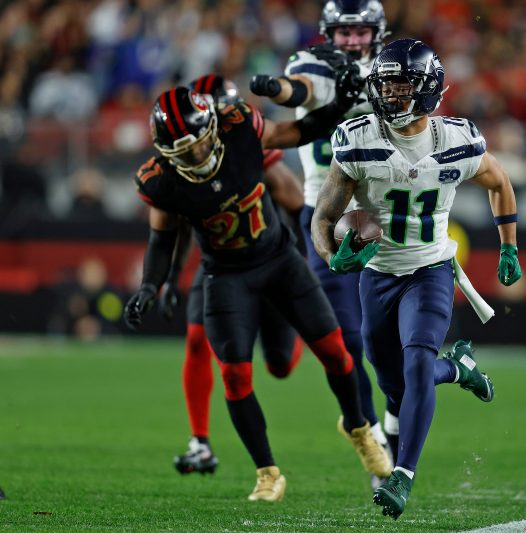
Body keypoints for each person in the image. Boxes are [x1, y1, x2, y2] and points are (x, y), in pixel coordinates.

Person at [123, 84, 391, 502]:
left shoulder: (240, 127)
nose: (197, 155)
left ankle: (357, 428)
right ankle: (267, 472)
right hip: (226, 276)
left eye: (199, 143)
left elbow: (297, 132)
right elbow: (162, 240)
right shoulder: (161, 180)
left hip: (279, 260)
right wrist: (148, 287)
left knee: (335, 351)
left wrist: (338, 105)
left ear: (212, 126)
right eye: (184, 152)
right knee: (233, 374)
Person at [311, 38, 522, 519]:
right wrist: (331, 255)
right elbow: (323, 216)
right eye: (385, 85)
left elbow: (500, 182)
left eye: (402, 85)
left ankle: (402, 475)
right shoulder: (358, 138)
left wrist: (509, 244)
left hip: (429, 271)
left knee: (418, 363)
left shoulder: (456, 140)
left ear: (428, 88)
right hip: (378, 275)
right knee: (395, 386)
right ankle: (459, 369)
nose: (391, 94)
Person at [251, 0, 392, 482]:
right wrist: (276, 88)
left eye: (360, 31)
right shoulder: (315, 62)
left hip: (387, 213)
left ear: (376, 31)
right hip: (327, 216)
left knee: (390, 340)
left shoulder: (396, 70)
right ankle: (371, 432)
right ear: (330, 33)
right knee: (347, 337)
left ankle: (393, 421)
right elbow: (300, 89)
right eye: (344, 32)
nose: (352, 40)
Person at [159, 74, 306, 476]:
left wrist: (303, 266)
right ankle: (200, 442)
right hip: (219, 266)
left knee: (279, 365)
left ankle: (297, 334)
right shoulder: (186, 160)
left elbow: (294, 199)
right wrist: (171, 275)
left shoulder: (246, 143)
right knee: (196, 339)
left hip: (266, 259)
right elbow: (179, 220)